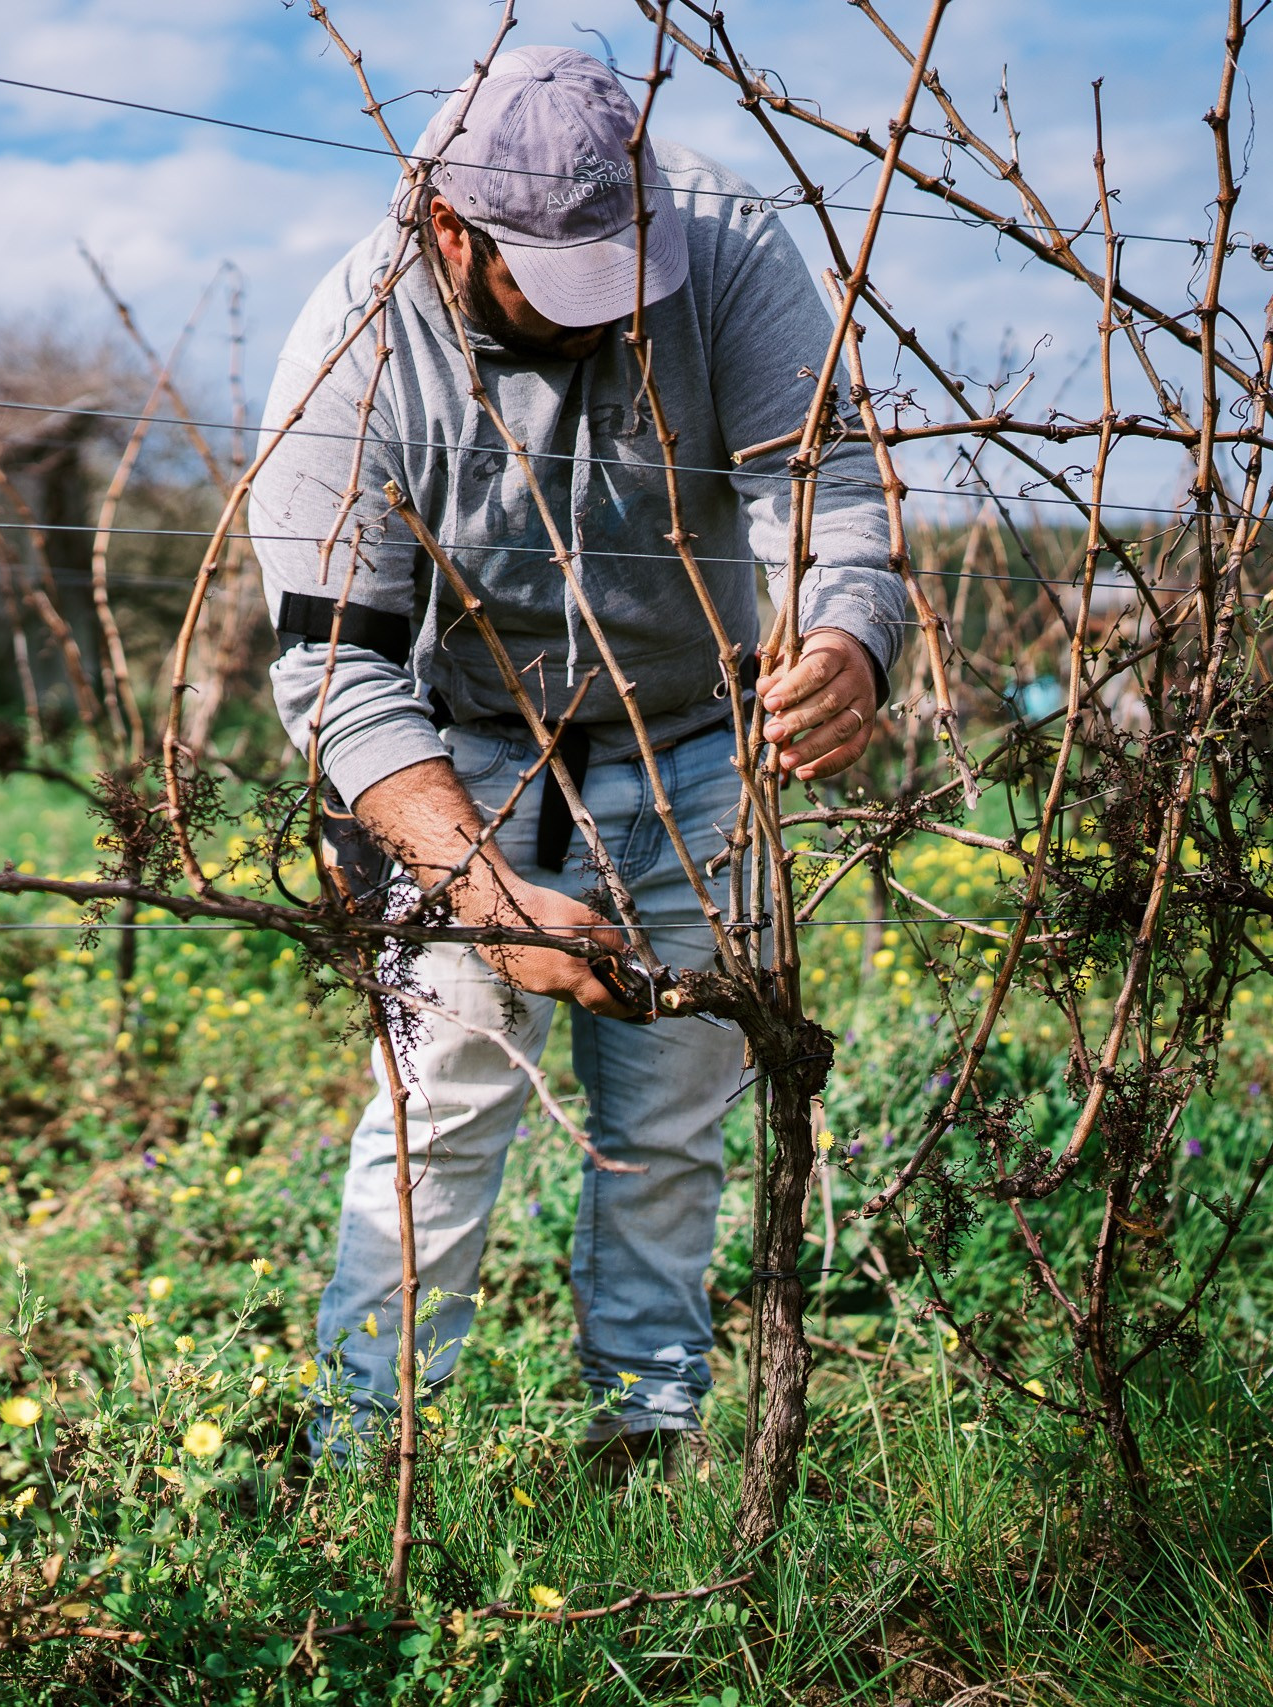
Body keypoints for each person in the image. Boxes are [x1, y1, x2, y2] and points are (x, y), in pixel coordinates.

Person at [251, 46, 907, 1469]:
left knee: (674, 1126)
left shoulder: (723, 249)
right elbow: (334, 662)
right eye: (560, 282)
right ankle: (368, 1457)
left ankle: (648, 1444)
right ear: (450, 233)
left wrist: (852, 635)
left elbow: (831, 482)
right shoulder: (352, 342)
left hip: (697, 745)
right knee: (443, 1111)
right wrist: (477, 886)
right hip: (466, 752)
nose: (604, 314)